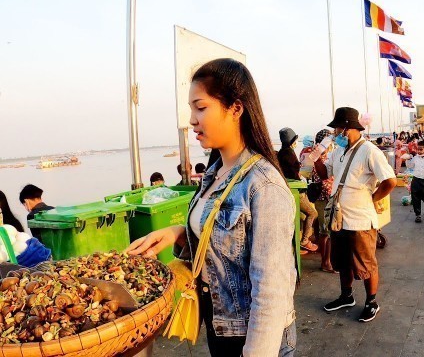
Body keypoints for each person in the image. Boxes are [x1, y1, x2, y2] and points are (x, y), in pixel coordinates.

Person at [125, 58, 297, 356]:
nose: (192, 119)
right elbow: (222, 240)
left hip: (255, 338)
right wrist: (177, 233)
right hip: (220, 327)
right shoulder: (215, 172)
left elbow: (271, 293)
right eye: (192, 109)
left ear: (236, 108)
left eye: (201, 107)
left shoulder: (264, 186)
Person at [314, 106, 396, 323]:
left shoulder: (369, 151)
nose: (334, 133)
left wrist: (372, 199)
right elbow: (325, 175)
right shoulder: (338, 150)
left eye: (337, 128)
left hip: (360, 218)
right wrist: (316, 158)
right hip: (339, 217)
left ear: (347, 128)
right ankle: (346, 296)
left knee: (365, 262)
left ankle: (371, 302)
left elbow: (390, 181)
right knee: (341, 260)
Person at [277, 127, 319, 253]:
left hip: (288, 189)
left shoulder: (282, 152)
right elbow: (293, 173)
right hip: (296, 191)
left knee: (298, 218)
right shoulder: (289, 153)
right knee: (313, 213)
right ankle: (305, 240)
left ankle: (299, 243)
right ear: (292, 140)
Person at [310, 129, 336, 273]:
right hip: (325, 196)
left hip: (324, 197)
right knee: (326, 232)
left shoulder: (321, 155)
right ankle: (326, 262)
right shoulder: (323, 157)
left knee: (325, 232)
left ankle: (326, 261)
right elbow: (324, 178)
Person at [406, 141, 424, 223]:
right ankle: (418, 215)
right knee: (415, 197)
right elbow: (410, 166)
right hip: (416, 180)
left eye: (421, 149)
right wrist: (408, 159)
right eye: (418, 149)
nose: (419, 151)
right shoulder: (415, 158)